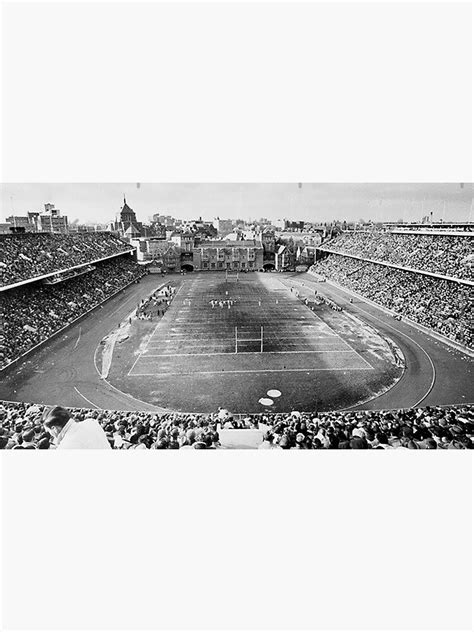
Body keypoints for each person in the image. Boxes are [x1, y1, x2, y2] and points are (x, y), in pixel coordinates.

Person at [42, 406, 112, 449]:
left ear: (54, 428)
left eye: (48, 431)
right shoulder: (91, 422)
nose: (50, 434)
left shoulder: (66, 446)